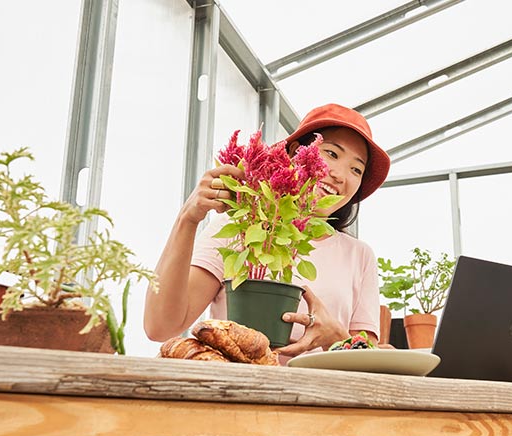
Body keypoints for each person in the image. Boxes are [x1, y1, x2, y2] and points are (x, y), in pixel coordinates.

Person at [143, 103, 390, 358]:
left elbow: (367, 361)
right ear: (297, 152)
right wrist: (188, 218)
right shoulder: (241, 229)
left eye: (356, 169)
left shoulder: (359, 256)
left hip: (320, 395)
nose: (340, 175)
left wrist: (336, 336)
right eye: (332, 154)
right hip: (238, 392)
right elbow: (160, 327)